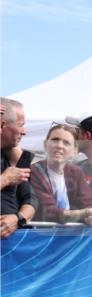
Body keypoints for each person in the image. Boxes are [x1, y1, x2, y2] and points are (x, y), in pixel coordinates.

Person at [29, 123, 92, 223]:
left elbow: (87, 202)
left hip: (70, 236)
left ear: (75, 150)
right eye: (55, 140)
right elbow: (48, 211)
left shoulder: (76, 172)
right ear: (45, 144)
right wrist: (86, 213)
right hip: (42, 235)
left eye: (66, 143)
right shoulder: (34, 172)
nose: (59, 146)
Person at [0, 98, 36, 237]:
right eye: (21, 125)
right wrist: (5, 179)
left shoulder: (12, 156)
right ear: (3, 125)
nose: (24, 131)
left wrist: (18, 219)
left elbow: (31, 198)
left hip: (15, 247)